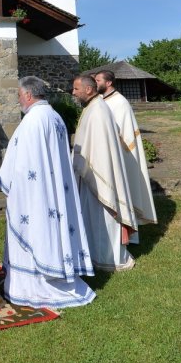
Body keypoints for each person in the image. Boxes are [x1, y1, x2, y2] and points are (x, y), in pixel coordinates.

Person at [0, 76, 95, 308]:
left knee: (38, 231)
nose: (19, 100)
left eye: (20, 95)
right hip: (54, 190)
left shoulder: (32, 121)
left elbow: (22, 164)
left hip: (35, 195)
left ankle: (33, 285)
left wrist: (12, 187)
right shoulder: (55, 116)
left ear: (29, 95)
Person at [72, 75, 137, 272]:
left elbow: (99, 151)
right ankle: (94, 255)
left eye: (76, 89)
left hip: (100, 177)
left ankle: (108, 258)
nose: (73, 93)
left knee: (103, 219)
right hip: (92, 176)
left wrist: (83, 166)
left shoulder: (98, 111)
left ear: (88, 90)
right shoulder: (93, 108)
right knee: (93, 220)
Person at [94, 69, 158, 231]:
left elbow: (125, 135)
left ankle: (126, 229)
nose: (95, 84)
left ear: (108, 83)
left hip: (119, 154)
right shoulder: (102, 100)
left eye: (98, 81)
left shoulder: (120, 103)